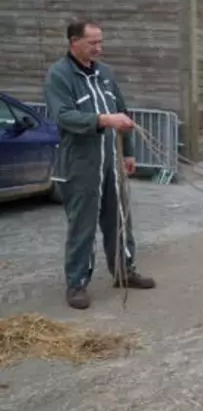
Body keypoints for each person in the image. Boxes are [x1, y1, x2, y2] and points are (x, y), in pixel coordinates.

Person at [43, 19, 156, 310]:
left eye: (100, 42)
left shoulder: (105, 74)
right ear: (74, 42)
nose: (98, 48)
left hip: (112, 161)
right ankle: (77, 283)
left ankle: (124, 271)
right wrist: (103, 120)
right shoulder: (59, 75)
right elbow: (64, 116)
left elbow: (122, 112)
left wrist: (128, 152)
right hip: (81, 164)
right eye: (92, 43)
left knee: (119, 218)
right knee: (83, 225)